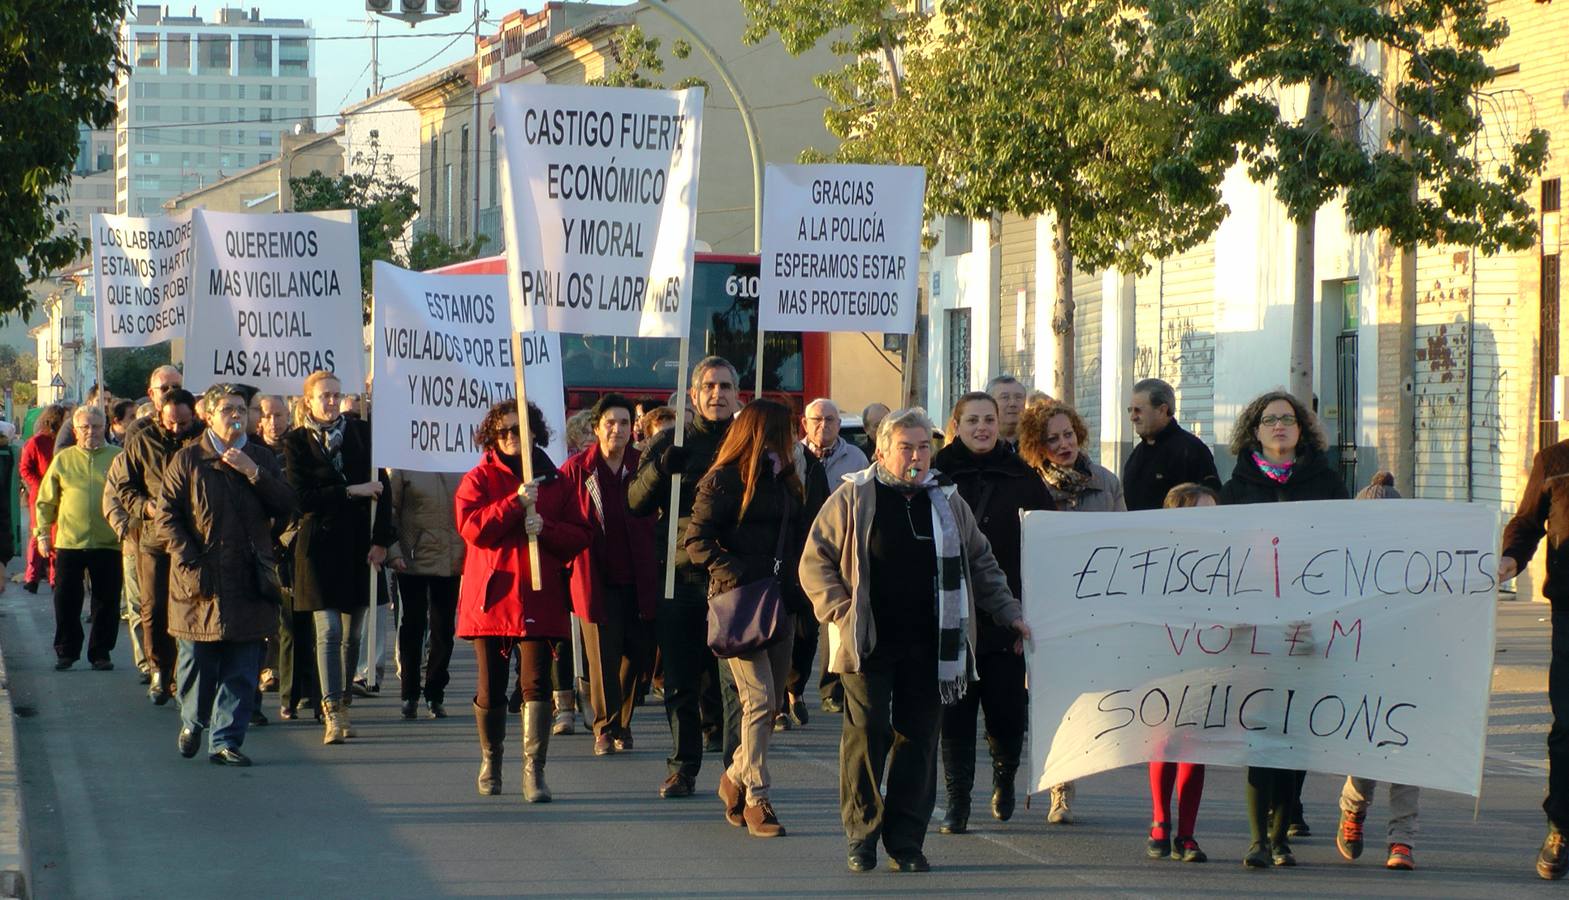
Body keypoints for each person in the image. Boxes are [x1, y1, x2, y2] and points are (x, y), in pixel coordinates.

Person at [801, 407, 1031, 873]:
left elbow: (981, 563)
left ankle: (905, 841)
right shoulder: (855, 496)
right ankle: (861, 835)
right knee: (867, 735)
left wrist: (1009, 613)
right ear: (882, 450)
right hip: (868, 641)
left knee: (919, 740)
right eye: (906, 447)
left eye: (924, 446)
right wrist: (840, 611)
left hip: (932, 644)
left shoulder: (948, 500)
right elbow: (816, 560)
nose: (917, 456)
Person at [1219, 389, 1348, 867]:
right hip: (1255, 627)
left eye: (1287, 420)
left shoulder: (1328, 483)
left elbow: (1345, 547)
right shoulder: (1235, 489)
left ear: (1301, 429)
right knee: (1260, 730)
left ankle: (1282, 829)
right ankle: (1259, 840)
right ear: (1255, 430)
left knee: (1297, 732)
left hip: (1307, 624)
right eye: (1270, 420)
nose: (1279, 426)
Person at [930, 392, 1052, 835]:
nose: (981, 428)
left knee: (1006, 710)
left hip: (1008, 615)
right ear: (956, 424)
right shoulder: (935, 475)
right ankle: (957, 800)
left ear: (1001, 425)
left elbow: (1046, 546)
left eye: (989, 420)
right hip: (952, 615)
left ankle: (1003, 778)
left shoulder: (1023, 476)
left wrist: (1029, 610)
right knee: (955, 711)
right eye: (972, 420)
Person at [456, 399, 591, 801]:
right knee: (491, 688)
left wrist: (545, 528)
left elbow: (580, 535)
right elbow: (472, 528)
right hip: (493, 598)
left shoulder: (557, 480)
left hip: (539, 594)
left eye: (520, 429)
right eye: (504, 432)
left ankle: (534, 771)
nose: (513, 437)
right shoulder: (479, 478)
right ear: (492, 437)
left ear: (535, 431)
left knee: (535, 684)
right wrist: (514, 504)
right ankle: (491, 760)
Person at [685, 399, 808, 838]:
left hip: (780, 602)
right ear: (763, 432)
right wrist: (733, 571)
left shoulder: (789, 479)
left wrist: (799, 588)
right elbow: (696, 540)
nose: (792, 438)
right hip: (738, 604)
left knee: (772, 704)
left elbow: (798, 540)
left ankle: (734, 775)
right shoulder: (721, 479)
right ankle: (757, 795)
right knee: (757, 701)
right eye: (785, 431)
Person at [156, 384, 296, 766]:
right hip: (199, 582)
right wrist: (188, 561)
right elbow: (166, 518)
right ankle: (194, 721)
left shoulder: (261, 457)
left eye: (241, 409)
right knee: (197, 663)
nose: (237, 416)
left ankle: (226, 740)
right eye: (228, 409)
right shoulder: (188, 460)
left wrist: (255, 474)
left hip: (249, 581)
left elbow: (286, 505)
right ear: (209, 415)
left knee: (242, 666)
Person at [628, 356, 744, 799]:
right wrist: (660, 468)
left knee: (732, 683)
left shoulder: (746, 443)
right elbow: (635, 503)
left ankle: (736, 770)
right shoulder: (669, 441)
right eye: (709, 387)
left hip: (731, 578)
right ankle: (683, 766)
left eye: (726, 387)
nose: (718, 394)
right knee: (680, 678)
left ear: (738, 395)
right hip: (680, 576)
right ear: (694, 395)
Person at [1017, 400, 1125, 824]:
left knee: (1087, 697)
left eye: (1068, 435)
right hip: (1045, 607)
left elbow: (1125, 539)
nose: (1063, 444)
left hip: (1094, 606)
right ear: (1036, 446)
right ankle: (1059, 788)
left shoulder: (1106, 482)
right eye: (1052, 439)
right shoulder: (1027, 486)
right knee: (1049, 699)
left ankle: (1070, 773)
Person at [282, 370, 394, 745]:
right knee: (327, 631)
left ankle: (344, 699)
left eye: (335, 395)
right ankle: (331, 710)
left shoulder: (362, 434)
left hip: (358, 545)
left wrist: (382, 542)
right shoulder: (296, 441)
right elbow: (302, 497)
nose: (331, 401)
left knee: (352, 634)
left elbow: (384, 490)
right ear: (308, 401)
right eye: (324, 396)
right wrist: (351, 490)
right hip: (317, 548)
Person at [1329, 471, 1418, 871]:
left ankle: (1402, 840)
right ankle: (1353, 810)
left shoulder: (1418, 565)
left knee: (1408, 755)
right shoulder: (1343, 565)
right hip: (1362, 670)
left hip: (1410, 667)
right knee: (1368, 752)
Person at [559, 394, 657, 756]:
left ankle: (624, 720)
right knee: (602, 655)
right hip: (594, 577)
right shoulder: (576, 470)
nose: (618, 429)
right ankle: (605, 726)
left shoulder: (644, 465)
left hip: (640, 575)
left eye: (625, 423)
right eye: (611, 423)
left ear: (634, 428)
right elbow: (562, 520)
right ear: (597, 428)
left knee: (636, 654)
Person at [1498, 435, 1569, 880]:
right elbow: (1526, 523)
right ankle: (1561, 827)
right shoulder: (1555, 460)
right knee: (1567, 727)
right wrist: (1510, 558)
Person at [1146, 481, 1220, 863]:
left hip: (1208, 661)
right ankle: (1161, 822)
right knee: (1164, 741)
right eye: (1197, 512)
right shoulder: (1157, 558)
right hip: (1166, 661)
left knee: (1195, 746)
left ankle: (1187, 834)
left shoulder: (1228, 560)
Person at [116, 388, 203, 703]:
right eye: (171, 422)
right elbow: (124, 487)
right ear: (159, 416)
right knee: (153, 606)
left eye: (183, 422)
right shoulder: (143, 441)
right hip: (153, 536)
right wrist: (145, 507)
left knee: (192, 606)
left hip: (194, 537)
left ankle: (185, 671)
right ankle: (159, 669)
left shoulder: (204, 441)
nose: (176, 428)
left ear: (193, 415)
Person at [794, 398, 869, 726]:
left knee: (832, 623)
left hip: (842, 547)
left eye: (831, 420)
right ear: (805, 423)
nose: (824, 426)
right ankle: (792, 690)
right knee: (800, 626)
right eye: (817, 420)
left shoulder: (854, 457)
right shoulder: (793, 455)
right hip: (801, 548)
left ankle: (831, 689)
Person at [33, 405, 123, 671]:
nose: (91, 432)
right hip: (70, 541)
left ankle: (101, 652)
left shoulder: (118, 457)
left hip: (109, 541)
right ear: (75, 430)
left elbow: (129, 495)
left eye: (96, 426)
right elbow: (45, 500)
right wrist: (41, 534)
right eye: (85, 427)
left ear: (104, 428)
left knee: (107, 601)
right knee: (65, 599)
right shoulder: (63, 459)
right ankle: (67, 650)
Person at [387, 466, 465, 720]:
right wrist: (394, 551)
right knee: (413, 625)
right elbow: (391, 510)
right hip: (411, 558)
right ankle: (409, 693)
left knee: (443, 629)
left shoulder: (460, 463)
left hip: (451, 557)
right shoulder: (404, 465)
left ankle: (435, 692)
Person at [256, 394, 316, 720]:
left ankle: (305, 689)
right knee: (282, 623)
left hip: (299, 543)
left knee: (302, 623)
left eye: (280, 415)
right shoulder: (253, 452)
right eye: (268, 415)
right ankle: (278, 681)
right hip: (269, 546)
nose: (275, 421)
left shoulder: (298, 447)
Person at [1122, 378, 1221, 511]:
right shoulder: (1136, 454)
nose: (1132, 417)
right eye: (1130, 410)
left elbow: (1211, 502)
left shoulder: (1191, 451)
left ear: (1162, 410)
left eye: (1138, 410)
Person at [20, 404, 65, 593]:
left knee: (58, 535)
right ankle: (32, 577)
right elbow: (25, 468)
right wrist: (39, 485)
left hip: (62, 494)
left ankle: (55, 577)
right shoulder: (36, 442)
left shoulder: (66, 442)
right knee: (38, 534)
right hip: (40, 495)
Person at [52, 384, 103, 452]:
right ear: (89, 403)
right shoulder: (73, 422)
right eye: (85, 427)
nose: (105, 403)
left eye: (109, 400)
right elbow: (59, 450)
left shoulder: (110, 422)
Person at [985, 376, 1027, 448]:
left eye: (1018, 397)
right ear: (989, 403)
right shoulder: (980, 443)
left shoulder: (1038, 444)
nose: (1013, 403)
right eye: (1005, 397)